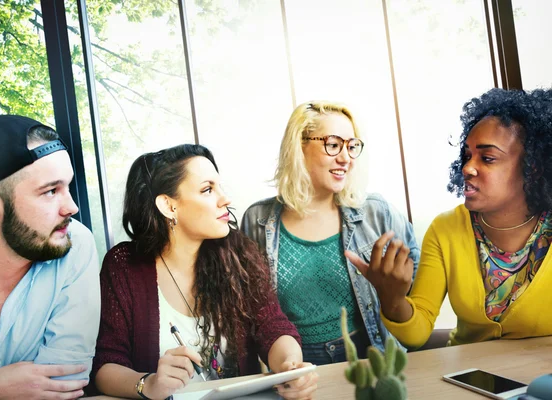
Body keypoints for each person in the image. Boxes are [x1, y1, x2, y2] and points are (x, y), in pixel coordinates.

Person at [90, 144, 318, 400]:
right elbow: (105, 363)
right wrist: (148, 384)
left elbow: (273, 328)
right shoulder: (123, 266)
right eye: (207, 189)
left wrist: (290, 367)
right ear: (168, 206)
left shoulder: (239, 253)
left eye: (219, 187)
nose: (225, 199)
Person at [347, 88, 552, 349]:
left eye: (487, 158)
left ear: (532, 167)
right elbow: (416, 333)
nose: (467, 167)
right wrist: (393, 298)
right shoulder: (446, 229)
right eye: (467, 156)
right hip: (475, 379)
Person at [241, 101, 420, 364]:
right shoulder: (257, 221)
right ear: (299, 148)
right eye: (334, 145)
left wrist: (394, 294)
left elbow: (418, 294)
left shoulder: (377, 213)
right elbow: (253, 313)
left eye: (351, 146)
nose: (346, 158)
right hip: (298, 365)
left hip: (371, 357)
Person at [0, 115, 101, 399]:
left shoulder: (75, 244)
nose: (71, 207)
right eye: (50, 191)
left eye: (67, 187)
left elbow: (65, 382)